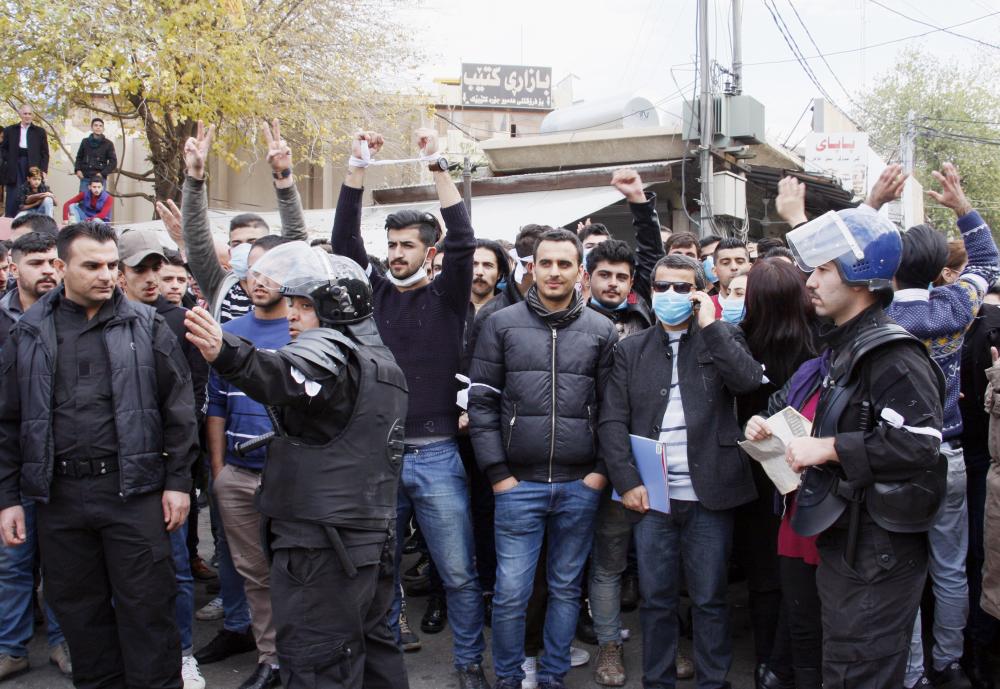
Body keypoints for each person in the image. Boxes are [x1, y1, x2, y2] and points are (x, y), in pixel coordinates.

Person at [183, 241, 410, 689]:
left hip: (322, 547)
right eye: (292, 303)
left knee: (316, 663)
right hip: (364, 540)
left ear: (334, 312)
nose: (292, 315)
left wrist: (227, 352)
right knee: (376, 657)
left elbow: (288, 373)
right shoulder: (383, 362)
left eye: (305, 306)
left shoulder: (330, 351)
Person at [745, 205, 945, 689]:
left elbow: (922, 444)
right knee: (844, 665)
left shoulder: (891, 352)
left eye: (824, 269)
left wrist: (830, 448)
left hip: (877, 550)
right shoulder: (843, 345)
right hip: (849, 542)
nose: (810, 281)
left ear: (859, 276)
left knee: (860, 670)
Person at [0, 221, 199, 689]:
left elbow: (180, 409)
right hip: (60, 499)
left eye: (112, 265)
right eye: (92, 265)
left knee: (149, 615)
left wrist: (176, 483)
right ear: (61, 266)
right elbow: (7, 420)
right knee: (81, 620)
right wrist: (8, 496)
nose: (107, 275)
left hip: (135, 496)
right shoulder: (28, 332)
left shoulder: (147, 325)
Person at [331, 128, 489, 689]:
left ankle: (469, 666)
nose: (396, 253)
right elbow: (343, 239)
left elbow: (466, 238)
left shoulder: (446, 298)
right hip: (376, 460)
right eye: (392, 244)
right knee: (377, 572)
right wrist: (357, 165)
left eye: (407, 246)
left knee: (460, 574)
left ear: (429, 252)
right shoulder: (369, 294)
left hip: (438, 456)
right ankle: (388, 663)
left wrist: (435, 165)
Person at [857, 163, 999, 689]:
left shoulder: (877, 317)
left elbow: (835, 262)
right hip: (952, 453)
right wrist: (963, 207)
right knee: (951, 566)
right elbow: (987, 260)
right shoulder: (957, 305)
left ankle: (912, 672)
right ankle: (949, 661)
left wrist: (871, 206)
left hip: (895, 459)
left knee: (903, 574)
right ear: (940, 267)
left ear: (889, 268)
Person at [600, 253, 762, 689]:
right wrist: (627, 481)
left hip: (709, 494)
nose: (671, 295)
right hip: (652, 497)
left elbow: (748, 383)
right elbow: (612, 420)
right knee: (656, 600)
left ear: (698, 293)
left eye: (682, 287)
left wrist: (711, 326)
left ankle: (714, 681)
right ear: (650, 291)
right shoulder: (630, 349)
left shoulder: (722, 335)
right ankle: (658, 680)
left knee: (709, 599)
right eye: (663, 287)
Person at [469, 228, 618, 689]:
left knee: (565, 589)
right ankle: (510, 678)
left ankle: (553, 676)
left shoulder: (601, 329)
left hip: (580, 485)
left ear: (580, 272)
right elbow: (482, 402)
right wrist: (497, 474)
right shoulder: (501, 322)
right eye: (545, 263)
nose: (554, 272)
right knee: (512, 594)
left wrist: (598, 473)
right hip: (518, 484)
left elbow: (613, 409)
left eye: (564, 264)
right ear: (531, 267)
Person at [196, 235, 294, 689]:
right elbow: (215, 407)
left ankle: (305, 657)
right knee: (254, 574)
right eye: (252, 270)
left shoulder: (305, 328)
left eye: (271, 271)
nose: (259, 280)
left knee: (299, 570)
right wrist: (220, 475)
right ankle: (271, 659)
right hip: (237, 475)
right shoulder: (228, 331)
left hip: (293, 478)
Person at [116, 228, 208, 689]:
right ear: (121, 274)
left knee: (175, 568)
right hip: (113, 479)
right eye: (143, 270)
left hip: (167, 469)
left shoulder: (180, 321)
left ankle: (183, 653)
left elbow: (188, 401)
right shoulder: (97, 321)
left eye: (159, 269)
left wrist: (181, 471)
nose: (153, 279)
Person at [583, 168, 663, 687]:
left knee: (660, 564)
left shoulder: (649, 316)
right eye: (604, 274)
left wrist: (638, 203)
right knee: (608, 562)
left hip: (652, 459)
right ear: (587, 277)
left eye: (621, 276)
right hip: (595, 465)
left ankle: (665, 645)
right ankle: (609, 646)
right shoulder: (569, 321)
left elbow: (657, 259)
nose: (613, 283)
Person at [735, 257, 819, 689]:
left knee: (763, 576)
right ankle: (790, 662)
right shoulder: (819, 346)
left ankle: (766, 661)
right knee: (799, 572)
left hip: (755, 469)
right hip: (805, 471)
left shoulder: (740, 344)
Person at [0, 231, 70, 681]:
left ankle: (66, 644)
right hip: (13, 460)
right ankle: (11, 647)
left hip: (66, 461)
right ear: (14, 267)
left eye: (53, 262)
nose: (47, 270)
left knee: (67, 562)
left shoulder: (76, 316)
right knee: (13, 561)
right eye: (37, 262)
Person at [174, 120, 307, 323]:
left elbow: (296, 239)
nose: (246, 251)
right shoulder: (220, 285)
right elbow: (196, 239)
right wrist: (194, 175)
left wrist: (283, 176)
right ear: (229, 251)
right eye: (237, 244)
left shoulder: (289, 284)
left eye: (254, 242)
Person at [3, 104, 49, 219]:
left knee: (31, 192)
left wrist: (43, 170)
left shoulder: (40, 132)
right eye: (25, 113)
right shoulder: (10, 130)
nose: (27, 116)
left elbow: (45, 153)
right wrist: (8, 161)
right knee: (14, 193)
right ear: (20, 114)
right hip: (14, 165)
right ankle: (10, 221)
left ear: (32, 115)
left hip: (32, 165)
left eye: (30, 114)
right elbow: (3, 148)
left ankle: (31, 223)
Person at [710, 238, 751, 318]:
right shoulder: (705, 308)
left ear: (750, 267)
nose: (734, 267)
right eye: (725, 263)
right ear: (714, 271)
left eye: (740, 262)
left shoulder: (762, 307)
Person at [74, 118, 117, 192]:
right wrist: (77, 170)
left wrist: (102, 173)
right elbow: (79, 157)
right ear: (92, 127)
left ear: (103, 129)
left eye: (100, 126)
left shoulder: (108, 144)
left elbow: (113, 162)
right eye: (96, 125)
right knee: (83, 201)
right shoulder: (85, 142)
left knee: (100, 202)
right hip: (85, 177)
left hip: (100, 179)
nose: (98, 127)